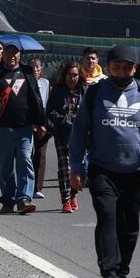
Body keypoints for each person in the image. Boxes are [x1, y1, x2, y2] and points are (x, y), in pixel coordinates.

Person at [69, 45, 140, 278]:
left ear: (134, 69)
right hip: (102, 169)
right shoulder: (95, 94)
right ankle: (109, 272)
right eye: (116, 68)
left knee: (128, 225)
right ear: (107, 68)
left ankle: (123, 271)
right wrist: (76, 166)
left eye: (126, 68)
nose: (121, 72)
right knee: (107, 217)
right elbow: (79, 133)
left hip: (135, 171)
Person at [0, 43, 46, 214]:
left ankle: (24, 199)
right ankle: (8, 199)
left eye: (15, 53)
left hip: (24, 128)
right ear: (3, 55)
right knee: (4, 166)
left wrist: (40, 122)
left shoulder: (27, 72)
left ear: (20, 55)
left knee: (25, 160)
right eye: (8, 53)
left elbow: (35, 98)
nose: (11, 56)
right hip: (1, 129)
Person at [45, 60, 85, 213]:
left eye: (75, 75)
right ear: (64, 75)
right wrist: (63, 120)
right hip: (62, 134)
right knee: (64, 167)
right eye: (69, 74)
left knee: (78, 168)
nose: (72, 78)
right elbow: (50, 111)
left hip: (80, 136)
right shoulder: (58, 90)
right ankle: (66, 199)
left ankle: (73, 193)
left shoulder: (83, 91)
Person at [28, 57, 51, 200]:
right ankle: (26, 185)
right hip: (28, 122)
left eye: (37, 67)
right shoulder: (25, 82)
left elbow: (47, 103)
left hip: (43, 123)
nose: (35, 70)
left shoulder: (46, 83)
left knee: (40, 155)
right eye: (32, 67)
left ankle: (37, 187)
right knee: (26, 156)